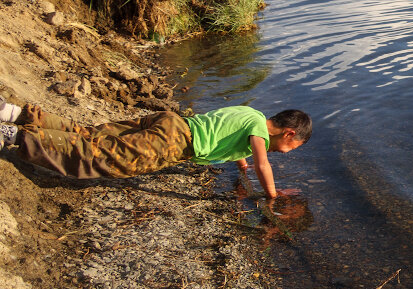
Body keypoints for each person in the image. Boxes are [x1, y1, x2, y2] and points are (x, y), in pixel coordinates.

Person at [0, 96, 310, 199]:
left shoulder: (250, 114)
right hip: (174, 141)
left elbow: (242, 153)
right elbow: (261, 163)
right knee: (103, 155)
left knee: (93, 134)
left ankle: (15, 113)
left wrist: (240, 173)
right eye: (293, 147)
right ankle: (15, 136)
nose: (288, 152)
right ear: (288, 132)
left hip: (171, 121)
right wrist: (273, 195)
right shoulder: (259, 130)